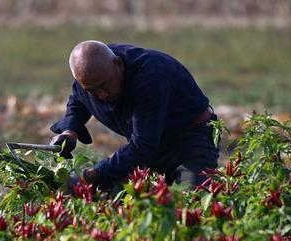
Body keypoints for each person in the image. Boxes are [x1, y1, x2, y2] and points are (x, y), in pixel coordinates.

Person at [50, 41, 219, 193]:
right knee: (128, 207)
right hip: (149, 150)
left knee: (187, 202)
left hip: (189, 143)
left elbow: (143, 146)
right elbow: (78, 100)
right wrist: (69, 131)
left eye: (104, 85)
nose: (102, 95)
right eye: (92, 90)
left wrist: (92, 174)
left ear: (118, 64)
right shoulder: (91, 76)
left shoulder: (150, 75)